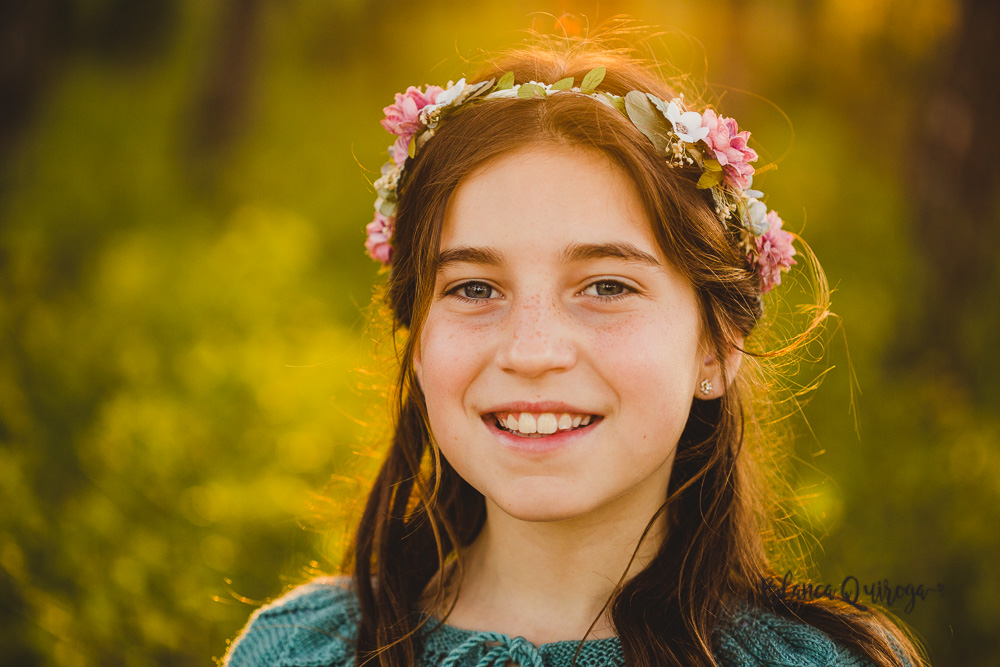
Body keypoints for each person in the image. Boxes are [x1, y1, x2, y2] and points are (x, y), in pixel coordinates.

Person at [222, 28, 927, 667]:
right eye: (473, 288)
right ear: (415, 338)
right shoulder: (294, 651)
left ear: (715, 346)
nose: (532, 352)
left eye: (607, 286)